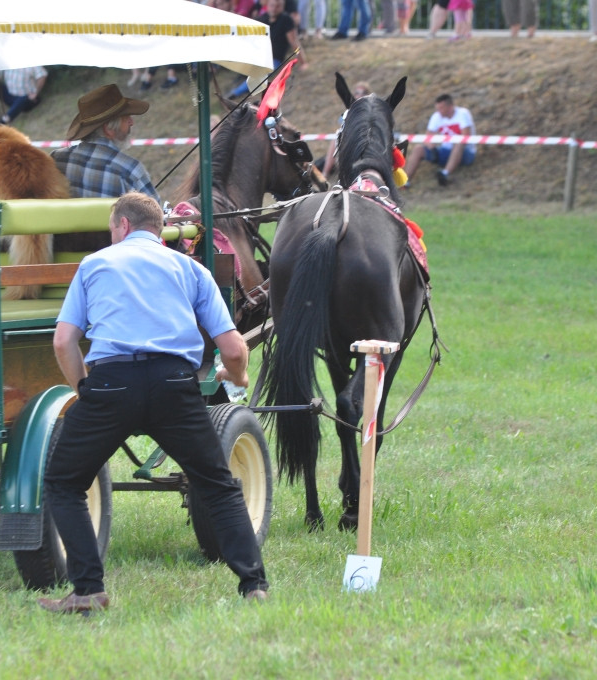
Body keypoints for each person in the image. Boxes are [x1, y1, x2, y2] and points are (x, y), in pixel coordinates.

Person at [39, 192, 270, 614]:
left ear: (122, 226)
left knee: (63, 482)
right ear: (157, 228)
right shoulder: (191, 268)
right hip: (174, 385)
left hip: (110, 383)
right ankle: (254, 584)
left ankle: (88, 589)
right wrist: (238, 378)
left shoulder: (94, 264)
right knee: (218, 485)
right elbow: (234, 350)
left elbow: (63, 341)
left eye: (112, 229)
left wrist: (85, 389)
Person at [51, 84, 161, 203]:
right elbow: (155, 217)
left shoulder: (56, 159)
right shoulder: (130, 170)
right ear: (109, 129)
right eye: (126, 117)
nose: (131, 122)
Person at [228, 0, 304, 97]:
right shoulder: (262, 19)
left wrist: (303, 62)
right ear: (267, 6)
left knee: (259, 76)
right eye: (272, 5)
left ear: (282, 7)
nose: (274, 9)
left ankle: (235, 94)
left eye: (278, 6)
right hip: (259, 57)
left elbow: (294, 42)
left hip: (274, 59)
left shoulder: (286, 20)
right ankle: (235, 89)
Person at [402, 92, 476, 187]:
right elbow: (427, 138)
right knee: (418, 149)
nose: (439, 111)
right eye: (437, 108)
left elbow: (466, 136)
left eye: (441, 108)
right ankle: (405, 182)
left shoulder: (463, 113)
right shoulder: (436, 116)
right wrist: (432, 148)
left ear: (450, 107)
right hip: (444, 152)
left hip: (466, 153)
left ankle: (445, 174)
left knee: (459, 143)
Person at [319, 81, 372, 181]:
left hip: (366, 143)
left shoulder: (372, 111)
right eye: (357, 93)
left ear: (368, 95)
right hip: (350, 143)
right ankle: (325, 174)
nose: (359, 95)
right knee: (337, 136)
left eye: (363, 93)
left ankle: (325, 174)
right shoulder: (348, 112)